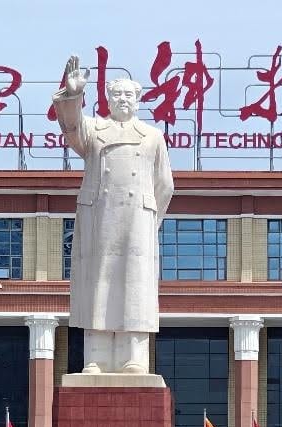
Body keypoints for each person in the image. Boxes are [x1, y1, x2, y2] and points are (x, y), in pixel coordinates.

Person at [50, 53, 174, 374]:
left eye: (128, 95)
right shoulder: (95, 130)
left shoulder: (152, 136)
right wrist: (74, 93)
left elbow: (164, 185)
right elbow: (71, 127)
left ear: (139, 100)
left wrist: (149, 221)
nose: (123, 99)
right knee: (100, 284)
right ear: (107, 99)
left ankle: (135, 357)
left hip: (137, 220)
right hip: (101, 219)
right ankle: (97, 357)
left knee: (135, 286)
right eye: (117, 94)